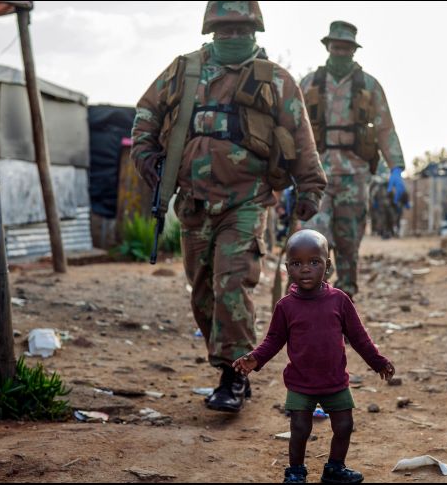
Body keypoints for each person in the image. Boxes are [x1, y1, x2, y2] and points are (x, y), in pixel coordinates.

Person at [131, 1, 327, 413]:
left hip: (246, 201)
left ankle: (233, 374)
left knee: (232, 285)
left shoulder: (274, 78)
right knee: (203, 293)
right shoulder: (185, 69)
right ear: (211, 29)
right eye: (225, 29)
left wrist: (310, 187)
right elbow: (147, 110)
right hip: (193, 202)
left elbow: (300, 134)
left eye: (241, 29)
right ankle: (229, 366)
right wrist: (145, 151)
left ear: (255, 29)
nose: (233, 37)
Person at [233, 230, 395, 484]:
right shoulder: (285, 306)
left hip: (335, 381)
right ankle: (296, 471)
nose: (306, 269)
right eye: (297, 263)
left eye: (314, 262)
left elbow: (359, 337)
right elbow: (274, 339)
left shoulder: (339, 301)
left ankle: (335, 468)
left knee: (343, 426)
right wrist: (255, 359)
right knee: (299, 429)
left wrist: (378, 361)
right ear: (287, 268)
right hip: (300, 382)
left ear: (327, 265)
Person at [300, 21, 407, 299]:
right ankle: (314, 302)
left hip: (355, 176)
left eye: (346, 48)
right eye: (336, 47)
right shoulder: (310, 83)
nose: (341, 52)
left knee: (349, 245)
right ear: (328, 47)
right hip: (316, 175)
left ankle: (344, 304)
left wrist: (396, 167)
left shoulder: (369, 86)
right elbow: (293, 128)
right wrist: (288, 173)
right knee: (313, 240)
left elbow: (385, 128)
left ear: (354, 50)